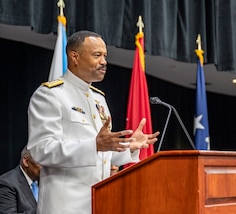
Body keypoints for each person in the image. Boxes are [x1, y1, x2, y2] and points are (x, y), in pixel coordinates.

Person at [26, 30, 160, 214]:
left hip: (100, 203)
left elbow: (103, 157)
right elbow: (41, 150)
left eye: (105, 56)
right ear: (74, 57)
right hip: (65, 207)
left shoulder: (98, 99)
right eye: (97, 55)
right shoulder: (50, 95)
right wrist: (94, 146)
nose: (104, 62)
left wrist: (130, 146)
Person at [0, 146, 41, 214]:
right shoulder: (6, 183)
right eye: (42, 163)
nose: (47, 168)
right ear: (26, 161)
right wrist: (45, 208)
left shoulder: (45, 180)